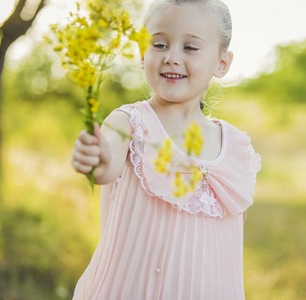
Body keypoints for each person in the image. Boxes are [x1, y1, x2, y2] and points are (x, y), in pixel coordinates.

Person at [70, 0, 261, 298]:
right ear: (142, 53)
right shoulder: (129, 123)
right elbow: (106, 167)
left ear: (222, 63)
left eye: (190, 48)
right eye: (159, 44)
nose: (172, 57)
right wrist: (97, 158)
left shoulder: (235, 147)